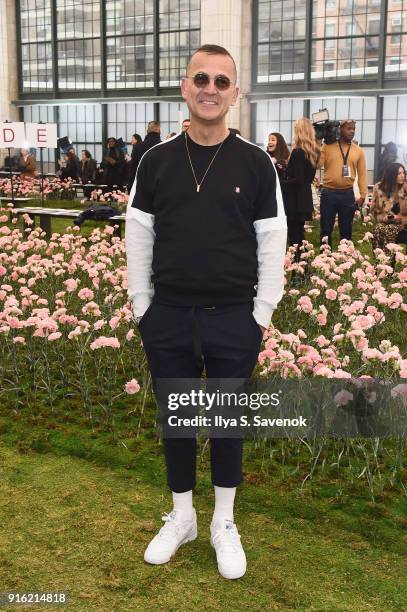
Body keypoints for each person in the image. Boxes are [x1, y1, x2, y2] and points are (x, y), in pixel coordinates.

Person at [126, 44, 287, 580]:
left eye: (222, 81)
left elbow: (273, 240)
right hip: (167, 314)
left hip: (233, 318)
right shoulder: (155, 161)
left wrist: (260, 313)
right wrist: (143, 307)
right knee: (176, 420)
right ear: (184, 86)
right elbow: (139, 238)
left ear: (235, 93)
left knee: (224, 423)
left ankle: (222, 521)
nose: (210, 88)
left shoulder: (256, 162)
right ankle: (181, 517)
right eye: (201, 78)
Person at [318, 119, 367, 248]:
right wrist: (318, 143)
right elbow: (317, 165)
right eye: (348, 128)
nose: (352, 131)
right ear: (340, 129)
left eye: (353, 129)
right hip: (328, 193)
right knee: (326, 230)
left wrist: (363, 195)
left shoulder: (358, 151)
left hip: (348, 194)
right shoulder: (327, 146)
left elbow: (362, 174)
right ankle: (324, 261)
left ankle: (345, 262)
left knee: (346, 231)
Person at [280, 119, 319, 259]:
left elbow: (297, 179)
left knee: (294, 237)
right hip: (304, 197)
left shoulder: (297, 152)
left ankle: (298, 269)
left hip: (294, 199)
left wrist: (281, 182)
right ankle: (303, 267)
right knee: (299, 235)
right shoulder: (314, 152)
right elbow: (306, 179)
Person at [370, 162, 407, 253]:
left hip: (405, 225)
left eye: (404, 173)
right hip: (386, 224)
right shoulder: (378, 188)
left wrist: (400, 218)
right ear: (391, 175)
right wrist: (383, 218)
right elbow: (373, 210)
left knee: (390, 229)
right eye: (399, 173)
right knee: (379, 228)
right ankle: (381, 260)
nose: (403, 176)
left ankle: (389, 262)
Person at [128, 122, 161, 190]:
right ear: (159, 131)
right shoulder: (164, 146)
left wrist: (130, 186)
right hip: (159, 185)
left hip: (142, 184)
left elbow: (133, 168)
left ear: (147, 131)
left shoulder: (138, 147)